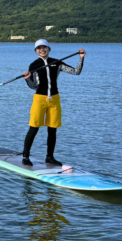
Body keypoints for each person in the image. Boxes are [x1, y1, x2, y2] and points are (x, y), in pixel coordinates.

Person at [21, 39, 85, 167]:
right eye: (39, 48)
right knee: (34, 127)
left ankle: (50, 157)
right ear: (36, 51)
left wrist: (81, 58)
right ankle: (25, 156)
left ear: (49, 49)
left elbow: (76, 72)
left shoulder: (56, 62)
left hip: (54, 99)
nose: (42, 50)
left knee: (52, 129)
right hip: (39, 99)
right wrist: (27, 80)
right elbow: (33, 86)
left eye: (44, 47)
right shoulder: (34, 65)